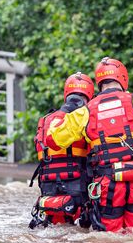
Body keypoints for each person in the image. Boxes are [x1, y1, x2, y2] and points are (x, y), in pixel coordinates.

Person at [45, 57, 133, 233]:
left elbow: (52, 139)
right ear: (123, 78)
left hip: (108, 188)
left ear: (99, 83)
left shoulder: (85, 112)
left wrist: (65, 111)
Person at [29, 72, 94, 229]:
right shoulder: (86, 116)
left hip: (48, 186)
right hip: (78, 184)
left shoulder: (44, 120)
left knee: (53, 229)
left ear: (66, 93)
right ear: (90, 94)